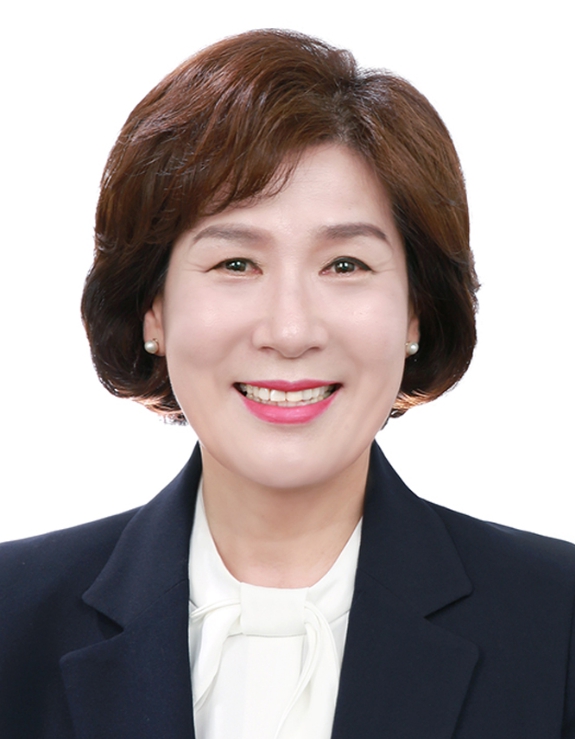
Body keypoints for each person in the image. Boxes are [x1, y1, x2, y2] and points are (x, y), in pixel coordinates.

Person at [0, 28, 573, 739]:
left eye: (345, 265)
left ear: (415, 312)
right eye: (236, 264)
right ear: (153, 309)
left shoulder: (557, 621)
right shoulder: (12, 617)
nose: (291, 329)